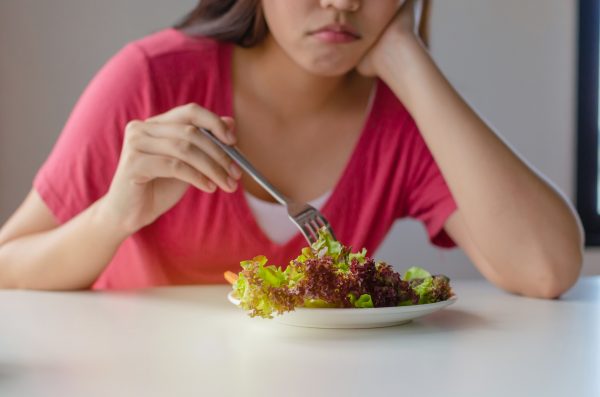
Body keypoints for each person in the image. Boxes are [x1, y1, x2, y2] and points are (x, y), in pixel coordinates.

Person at [0, 0, 583, 296]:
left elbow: (546, 269)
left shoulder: (404, 119)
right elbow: (7, 266)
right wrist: (113, 217)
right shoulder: (152, 81)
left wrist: (407, 57)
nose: (342, 1)